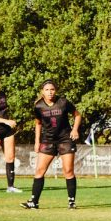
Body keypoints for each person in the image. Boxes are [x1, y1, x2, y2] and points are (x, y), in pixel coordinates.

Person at [21, 80, 81, 209]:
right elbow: (38, 123)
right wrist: (37, 142)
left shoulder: (63, 102)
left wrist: (75, 129)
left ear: (56, 90)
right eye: (47, 90)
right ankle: (34, 202)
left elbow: (77, 115)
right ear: (42, 91)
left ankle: (71, 202)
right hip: (47, 140)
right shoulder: (38, 106)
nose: (50, 92)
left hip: (65, 139)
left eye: (52, 89)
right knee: (39, 170)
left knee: (68, 171)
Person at [0, 74, 22, 194]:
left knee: (10, 157)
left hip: (7, 130)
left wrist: (9, 122)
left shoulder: (2, 94)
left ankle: (11, 187)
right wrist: (7, 121)